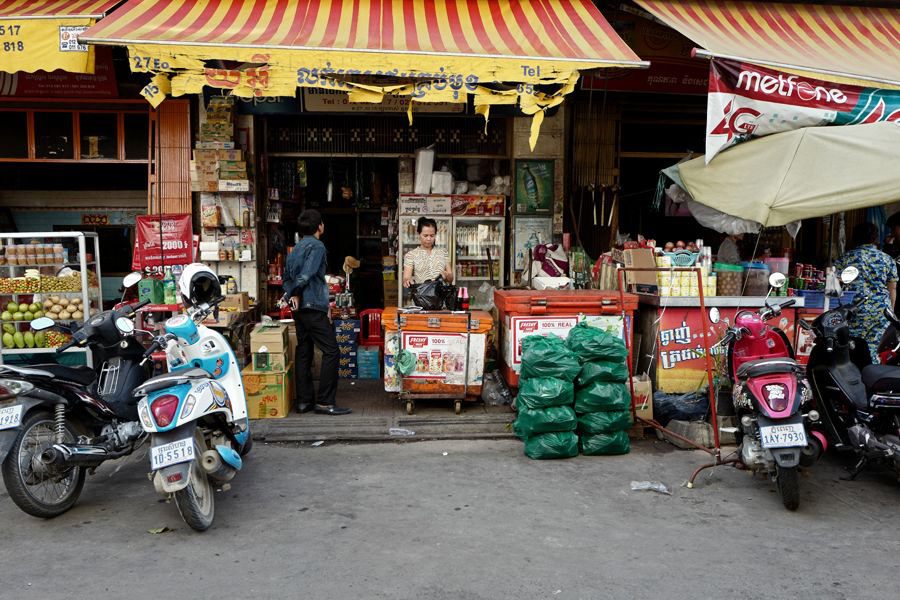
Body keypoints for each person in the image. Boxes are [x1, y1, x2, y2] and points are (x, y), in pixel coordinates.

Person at [282, 209, 351, 415]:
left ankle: (304, 402)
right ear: (320, 226)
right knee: (332, 351)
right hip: (312, 305)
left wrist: (291, 294)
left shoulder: (295, 249)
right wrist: (296, 291)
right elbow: (306, 275)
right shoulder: (317, 245)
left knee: (304, 350)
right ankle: (324, 402)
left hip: (300, 308)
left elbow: (287, 277)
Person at [834, 222, 898, 363]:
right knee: (874, 348)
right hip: (881, 311)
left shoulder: (846, 258)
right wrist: (890, 311)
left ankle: (853, 377)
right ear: (875, 238)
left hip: (855, 309)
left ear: (855, 237)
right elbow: (892, 288)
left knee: (854, 347)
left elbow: (834, 282)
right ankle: (872, 378)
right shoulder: (887, 259)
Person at [402, 217, 453, 288]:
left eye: (432, 235)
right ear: (419, 235)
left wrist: (447, 275)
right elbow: (406, 277)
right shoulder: (411, 255)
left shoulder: (443, 252)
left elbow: (450, 279)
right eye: (425, 235)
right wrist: (407, 281)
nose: (429, 239)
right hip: (421, 297)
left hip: (441, 296)